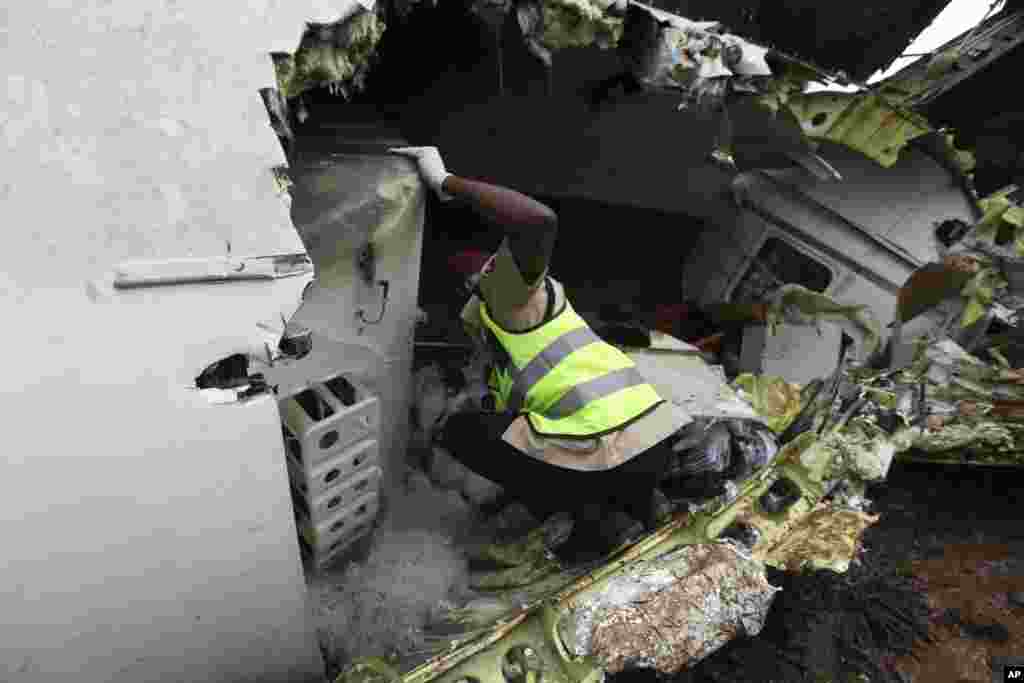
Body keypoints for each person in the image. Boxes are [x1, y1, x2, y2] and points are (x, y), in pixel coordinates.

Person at [391, 146, 691, 564]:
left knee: (464, 432)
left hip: (611, 451)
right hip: (654, 441)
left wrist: (445, 182)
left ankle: (585, 519)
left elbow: (538, 221)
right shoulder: (522, 332)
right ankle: (627, 508)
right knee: (508, 433)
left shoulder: (505, 294)